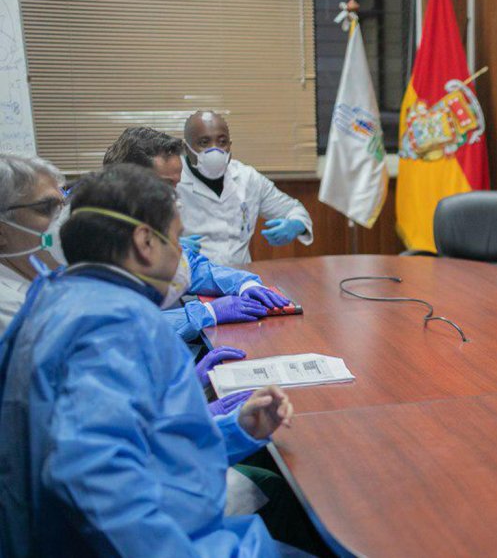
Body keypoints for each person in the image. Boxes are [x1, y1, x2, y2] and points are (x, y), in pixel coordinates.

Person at [0, 164, 295, 555]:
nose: (181, 257)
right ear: (144, 241)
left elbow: (146, 446)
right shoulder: (120, 323)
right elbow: (93, 476)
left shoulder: (52, 298)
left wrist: (231, 430)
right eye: (175, 239)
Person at [103, 127, 292, 341]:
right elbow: (121, 329)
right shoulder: (95, 240)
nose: (174, 197)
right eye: (165, 185)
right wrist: (207, 313)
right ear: (125, 182)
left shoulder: (143, 223)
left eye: (176, 185)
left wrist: (244, 284)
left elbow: (192, 267)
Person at [176, 111, 313, 265]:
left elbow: (295, 210)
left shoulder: (248, 178)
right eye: (204, 142)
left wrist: (296, 225)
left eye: (222, 142)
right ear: (186, 148)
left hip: (242, 279)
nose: (215, 150)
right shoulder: (169, 181)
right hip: (190, 280)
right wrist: (168, 245)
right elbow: (146, 236)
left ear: (230, 145)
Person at [0, 155, 66, 329]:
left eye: (62, 206)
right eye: (46, 208)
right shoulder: (9, 311)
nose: (62, 220)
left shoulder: (47, 280)